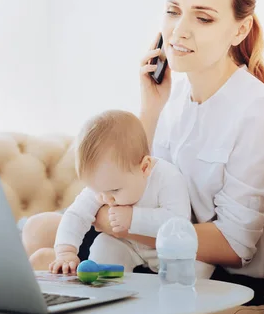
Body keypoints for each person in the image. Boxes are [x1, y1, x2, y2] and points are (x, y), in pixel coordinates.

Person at [23, 0, 264, 308]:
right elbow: (138, 179)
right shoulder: (175, 96)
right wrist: (151, 106)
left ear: (240, 29)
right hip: (158, 247)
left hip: (221, 272)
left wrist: (116, 222)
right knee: (38, 229)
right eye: (172, 11)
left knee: (43, 257)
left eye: (203, 18)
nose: (179, 31)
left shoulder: (256, 112)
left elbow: (235, 245)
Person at [49, 109, 196, 278]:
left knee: (196, 266)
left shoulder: (168, 177)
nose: (106, 199)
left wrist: (133, 218)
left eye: (114, 191)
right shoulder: (104, 185)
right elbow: (76, 214)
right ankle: (106, 292)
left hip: (166, 251)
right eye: (97, 191)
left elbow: (178, 220)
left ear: (144, 167)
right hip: (127, 245)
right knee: (103, 245)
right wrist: (65, 251)